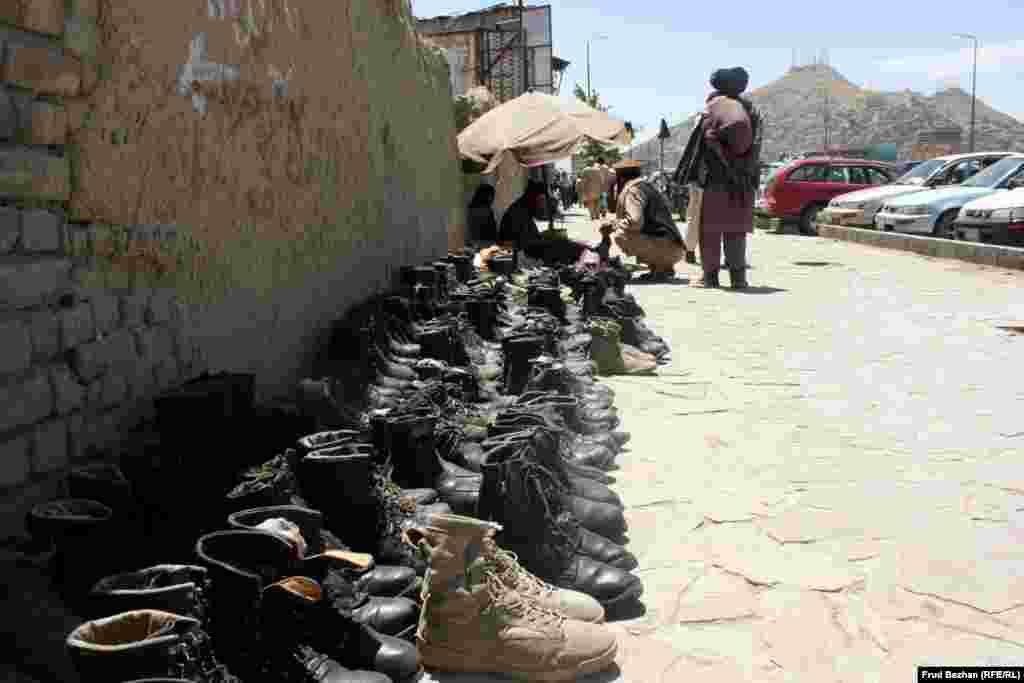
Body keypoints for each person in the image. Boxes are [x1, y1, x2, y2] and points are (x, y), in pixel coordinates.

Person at [678, 67, 762, 289]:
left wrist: (715, 144)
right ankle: (738, 278)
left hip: (718, 180)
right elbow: (752, 143)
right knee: (735, 230)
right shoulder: (750, 109)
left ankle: (710, 277)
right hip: (743, 180)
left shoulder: (716, 107)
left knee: (710, 230)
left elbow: (711, 140)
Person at [600, 159, 685, 281]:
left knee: (621, 235)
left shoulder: (633, 190)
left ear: (621, 177)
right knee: (628, 230)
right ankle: (662, 267)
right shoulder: (645, 185)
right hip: (673, 247)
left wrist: (613, 225)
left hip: (668, 248)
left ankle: (661, 266)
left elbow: (635, 222)